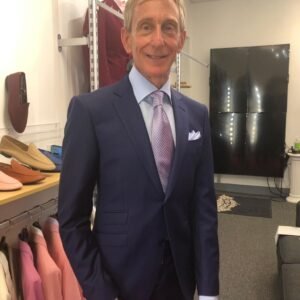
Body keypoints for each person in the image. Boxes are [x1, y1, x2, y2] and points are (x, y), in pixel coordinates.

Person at [58, 0, 219, 299]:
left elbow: (204, 211)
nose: (158, 40)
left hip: (180, 284)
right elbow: (72, 220)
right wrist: (101, 290)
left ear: (181, 39)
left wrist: (209, 291)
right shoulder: (91, 112)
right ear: (127, 39)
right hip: (117, 283)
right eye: (146, 27)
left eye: (168, 27)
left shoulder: (197, 116)